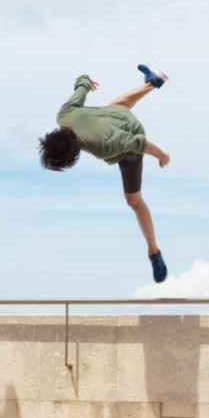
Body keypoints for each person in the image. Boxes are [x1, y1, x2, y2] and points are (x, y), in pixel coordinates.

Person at [39, 65, 170, 282]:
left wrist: (162, 156)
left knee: (134, 201)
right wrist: (85, 81)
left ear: (72, 158)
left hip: (130, 136)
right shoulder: (64, 114)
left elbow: (139, 143)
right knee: (114, 107)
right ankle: (153, 82)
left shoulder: (104, 147)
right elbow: (82, 83)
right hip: (114, 115)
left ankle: (154, 253)